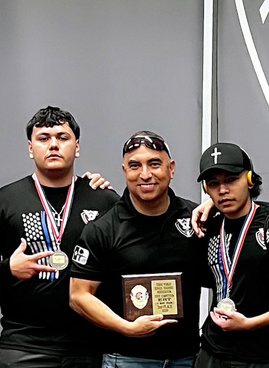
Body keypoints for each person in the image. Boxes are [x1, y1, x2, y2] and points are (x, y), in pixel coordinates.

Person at [0, 106, 119, 368]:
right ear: (30, 148)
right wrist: (8, 268)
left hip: (89, 346)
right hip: (24, 346)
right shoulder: (4, 200)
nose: (53, 145)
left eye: (62, 137)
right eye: (44, 138)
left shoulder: (104, 200)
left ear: (77, 147)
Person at [69, 131, 203, 368]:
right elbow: (79, 296)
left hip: (186, 359)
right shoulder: (103, 229)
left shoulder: (195, 219)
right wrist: (127, 328)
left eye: (154, 164)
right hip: (126, 358)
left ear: (171, 168)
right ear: (124, 172)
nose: (145, 174)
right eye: (134, 166)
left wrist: (214, 203)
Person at [193, 142, 269, 368]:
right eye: (214, 184)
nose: (223, 190)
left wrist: (251, 323)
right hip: (213, 353)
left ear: (249, 180)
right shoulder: (208, 228)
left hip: (267, 357)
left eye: (231, 180)